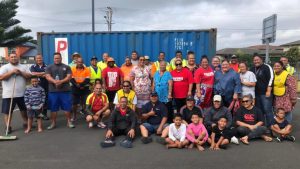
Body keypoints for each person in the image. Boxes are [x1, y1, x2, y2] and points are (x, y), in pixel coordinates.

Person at [0, 52, 31, 133]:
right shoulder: (5, 67)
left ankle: (26, 123)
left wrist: (20, 72)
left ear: (18, 58)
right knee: (8, 112)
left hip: (22, 93)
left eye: (15, 57)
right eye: (12, 57)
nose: (14, 58)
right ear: (9, 58)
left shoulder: (23, 67)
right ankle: (8, 126)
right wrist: (12, 72)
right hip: (8, 94)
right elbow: (1, 77)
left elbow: (29, 76)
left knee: (24, 110)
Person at [45, 52, 74, 129]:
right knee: (53, 108)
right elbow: (47, 76)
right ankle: (53, 123)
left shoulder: (67, 67)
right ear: (53, 59)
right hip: (53, 92)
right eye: (55, 58)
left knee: (67, 107)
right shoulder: (49, 67)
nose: (56, 59)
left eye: (58, 58)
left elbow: (69, 76)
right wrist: (55, 81)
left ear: (61, 58)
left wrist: (61, 81)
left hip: (65, 91)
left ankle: (69, 122)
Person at [250, 54, 274, 127]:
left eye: (257, 60)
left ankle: (271, 128)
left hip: (265, 93)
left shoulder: (266, 67)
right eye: (254, 60)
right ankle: (262, 128)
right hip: (256, 94)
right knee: (260, 111)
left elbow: (271, 78)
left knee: (268, 111)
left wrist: (268, 90)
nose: (256, 61)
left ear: (261, 60)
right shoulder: (252, 69)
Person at [30, 54, 49, 120]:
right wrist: (43, 73)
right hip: (35, 87)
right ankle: (37, 116)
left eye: (40, 58)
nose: (39, 59)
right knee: (36, 101)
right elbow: (33, 74)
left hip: (45, 86)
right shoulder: (33, 66)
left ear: (42, 58)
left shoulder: (46, 66)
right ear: (35, 59)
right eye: (37, 58)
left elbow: (47, 74)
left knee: (45, 101)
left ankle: (44, 114)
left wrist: (38, 74)